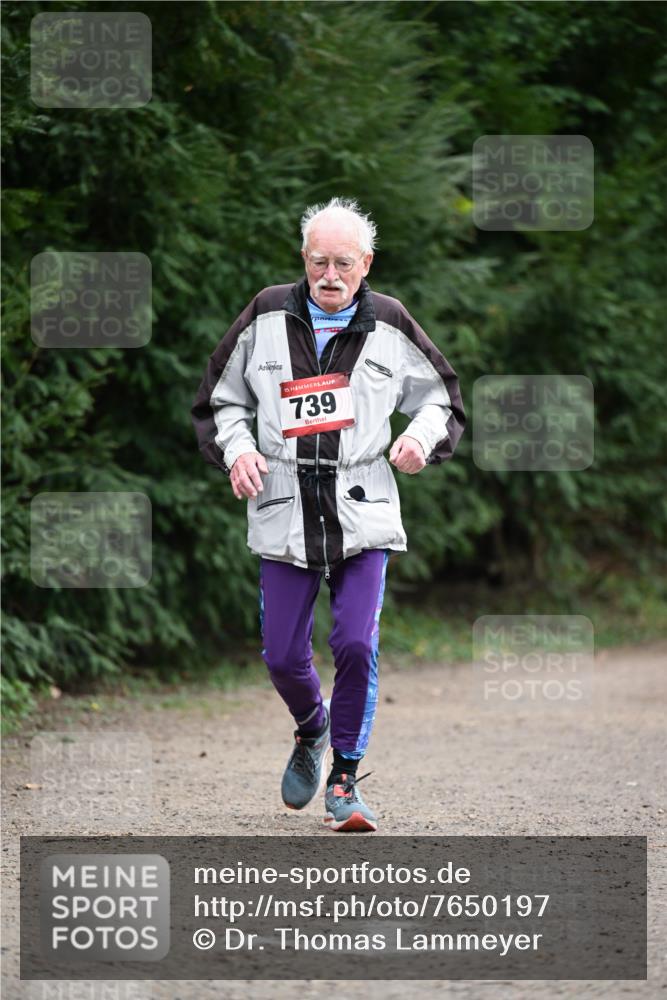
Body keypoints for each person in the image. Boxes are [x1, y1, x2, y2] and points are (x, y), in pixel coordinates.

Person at [191, 197, 465, 832]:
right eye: (319, 262)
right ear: (304, 261)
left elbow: (441, 400)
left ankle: (344, 780)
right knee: (283, 657)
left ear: (366, 263)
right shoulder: (264, 314)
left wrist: (419, 442)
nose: (331, 275)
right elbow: (219, 400)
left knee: (355, 642)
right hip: (284, 506)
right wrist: (236, 451)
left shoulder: (391, 323)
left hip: (361, 505)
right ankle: (311, 729)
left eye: (344, 262)